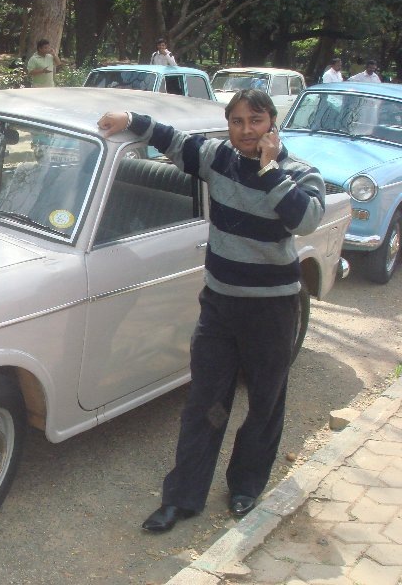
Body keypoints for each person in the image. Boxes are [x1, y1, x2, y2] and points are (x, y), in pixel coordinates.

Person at [97, 89, 325, 533]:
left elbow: (305, 220)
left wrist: (269, 169)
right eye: (237, 121)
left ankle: (246, 485)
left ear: (272, 123)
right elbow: (171, 139)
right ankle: (183, 498)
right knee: (205, 403)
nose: (245, 130)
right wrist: (129, 117)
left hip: (272, 310)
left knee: (264, 401)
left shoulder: (299, 172)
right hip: (220, 306)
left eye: (255, 121)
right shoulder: (217, 157)